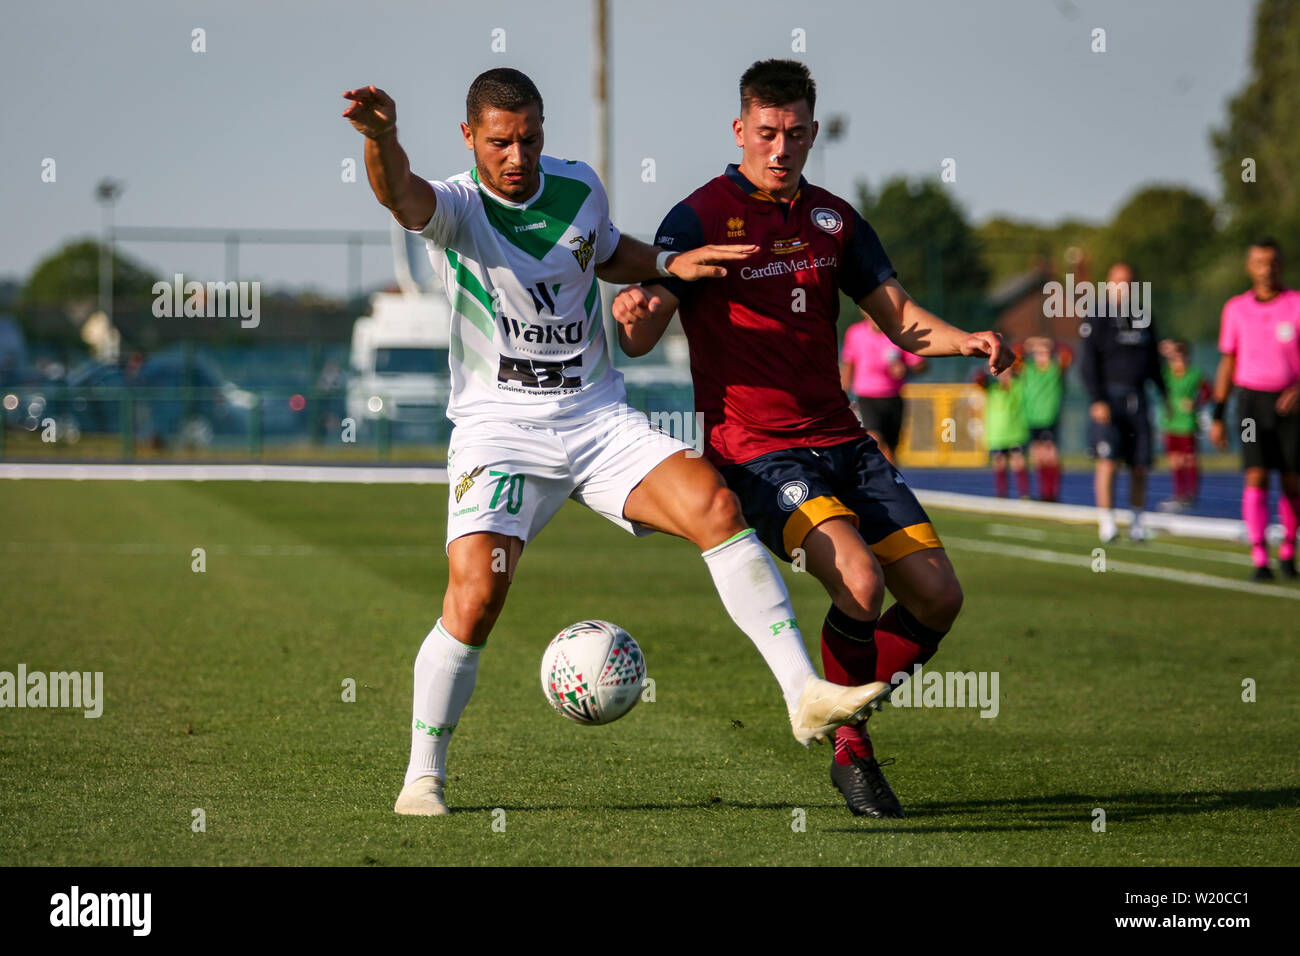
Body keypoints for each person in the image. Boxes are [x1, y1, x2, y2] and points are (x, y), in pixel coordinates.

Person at [342, 71, 892, 816]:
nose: (517, 156)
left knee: (714, 504)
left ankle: (803, 694)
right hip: (500, 432)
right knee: (476, 598)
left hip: (596, 418)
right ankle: (422, 778)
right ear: (470, 138)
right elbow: (397, 193)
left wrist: (669, 267)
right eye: (500, 142)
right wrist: (380, 138)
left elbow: (603, 253)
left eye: (529, 138)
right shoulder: (458, 208)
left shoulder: (578, 188)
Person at [610, 59, 1012, 818]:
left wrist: (971, 340)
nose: (780, 147)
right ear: (740, 130)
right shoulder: (698, 216)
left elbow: (900, 319)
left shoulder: (834, 220)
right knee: (859, 584)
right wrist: (637, 317)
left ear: (812, 133)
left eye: (795, 133)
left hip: (843, 440)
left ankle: (845, 710)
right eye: (766, 132)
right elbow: (651, 313)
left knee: (938, 597)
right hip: (756, 449)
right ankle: (851, 748)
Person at [1209, 239, 1300, 580]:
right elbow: (1228, 362)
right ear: (1249, 267)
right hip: (1250, 404)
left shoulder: (1296, 304)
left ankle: (1289, 551)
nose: (1266, 269)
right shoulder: (1236, 309)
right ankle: (1260, 555)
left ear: (1282, 265)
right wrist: (1218, 415)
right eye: (1260, 262)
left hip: (1291, 404)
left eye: (1272, 263)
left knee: (1292, 479)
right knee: (1256, 474)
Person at [1078, 261, 1165, 543]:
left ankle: (1137, 522)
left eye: (1128, 282)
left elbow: (1153, 362)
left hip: (1137, 398)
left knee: (1140, 464)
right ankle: (1107, 522)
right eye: (1118, 282)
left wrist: (1165, 395)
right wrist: (1097, 399)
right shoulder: (1098, 317)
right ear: (1109, 284)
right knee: (1108, 461)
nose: (1123, 288)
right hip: (1109, 398)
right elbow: (1088, 363)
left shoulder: (1144, 317)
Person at [840, 315, 926, 464]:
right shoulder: (855, 333)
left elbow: (921, 365)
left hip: (893, 398)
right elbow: (848, 366)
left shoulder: (898, 334)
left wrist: (905, 369)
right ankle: (883, 481)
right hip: (867, 398)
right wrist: (842, 396)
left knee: (891, 449)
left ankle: (892, 480)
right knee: (876, 441)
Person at [1157, 339, 1212, 512]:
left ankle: (1191, 494)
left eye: (1179, 355)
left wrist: (1195, 403)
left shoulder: (1194, 374)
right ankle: (1179, 494)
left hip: (1187, 423)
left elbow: (1208, 392)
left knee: (1189, 460)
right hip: (1170, 422)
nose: (1177, 360)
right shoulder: (1166, 374)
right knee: (1175, 460)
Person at [1021, 336, 1072, 501]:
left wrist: (1051, 344)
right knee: (1037, 457)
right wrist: (1030, 345)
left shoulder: (1055, 369)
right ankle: (1043, 492)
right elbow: (1015, 354)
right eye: (1039, 353)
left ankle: (1052, 493)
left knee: (1051, 456)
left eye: (1045, 353)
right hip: (1032, 418)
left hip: (1049, 418)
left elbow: (1069, 353)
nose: (1042, 356)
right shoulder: (1028, 369)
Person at [974, 349, 1029, 498]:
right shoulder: (991, 388)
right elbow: (977, 378)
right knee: (999, 463)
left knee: (1019, 462)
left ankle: (1024, 493)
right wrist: (988, 367)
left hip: (1016, 432)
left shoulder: (1019, 385)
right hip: (997, 434)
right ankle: (1001, 494)